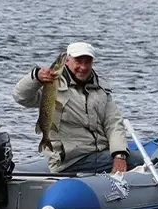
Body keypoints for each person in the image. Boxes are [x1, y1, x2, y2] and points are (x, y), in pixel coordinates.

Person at [12, 41, 142, 174]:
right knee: (140, 161)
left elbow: (113, 123)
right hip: (71, 160)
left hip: (98, 154)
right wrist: (35, 77)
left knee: (130, 156)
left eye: (87, 62)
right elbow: (20, 97)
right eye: (78, 61)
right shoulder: (52, 84)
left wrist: (119, 154)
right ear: (67, 61)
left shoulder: (100, 88)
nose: (83, 67)